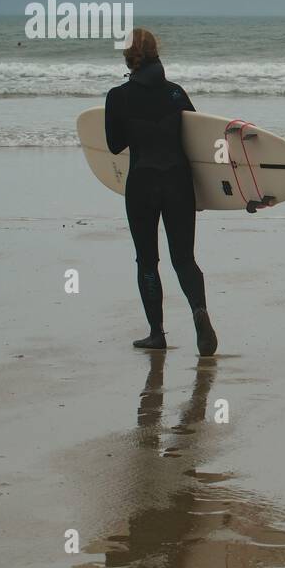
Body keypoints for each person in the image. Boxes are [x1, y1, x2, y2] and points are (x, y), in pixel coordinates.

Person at [105, 27, 218, 356]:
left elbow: (114, 145)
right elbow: (197, 143)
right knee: (184, 259)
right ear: (157, 54)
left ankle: (157, 333)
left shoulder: (118, 96)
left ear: (129, 57)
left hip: (142, 183)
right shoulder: (176, 94)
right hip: (178, 183)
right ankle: (199, 313)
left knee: (147, 261)